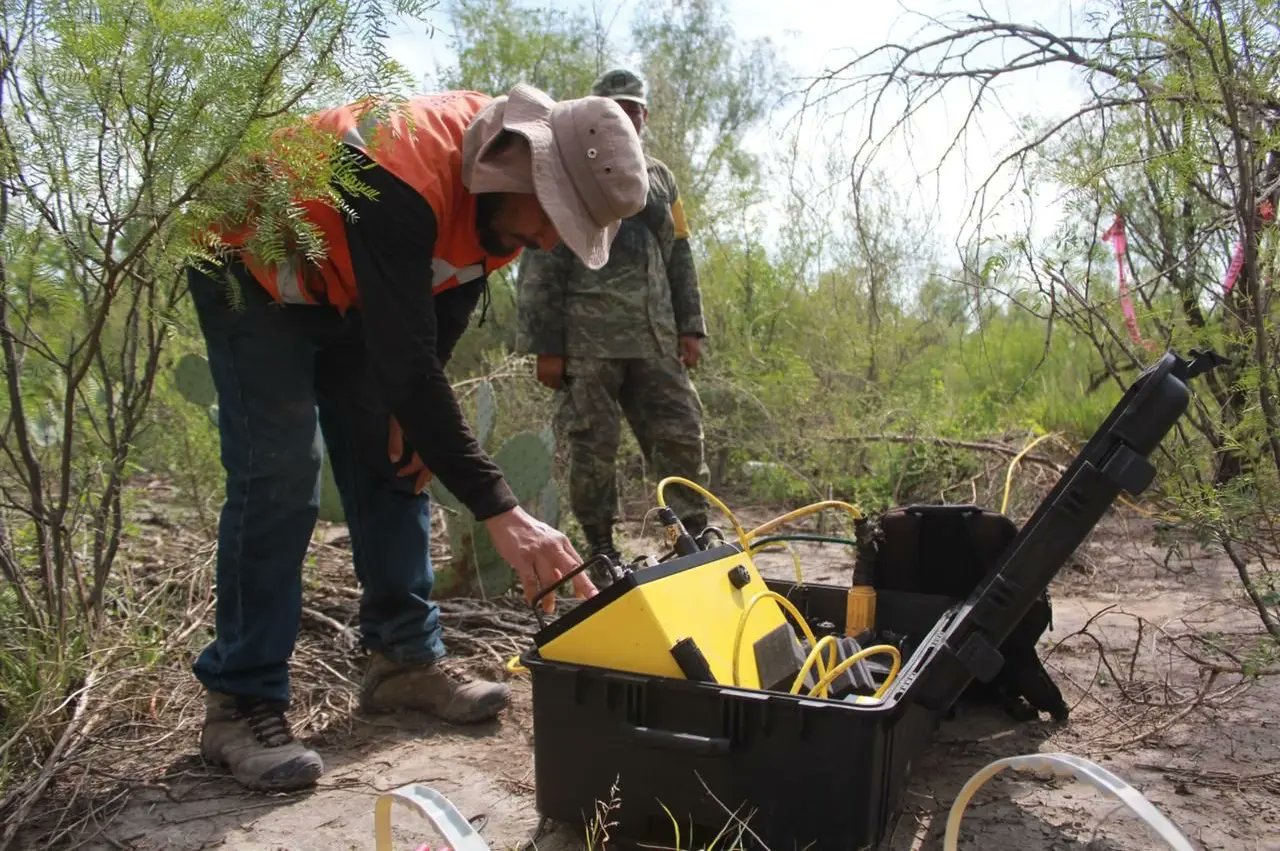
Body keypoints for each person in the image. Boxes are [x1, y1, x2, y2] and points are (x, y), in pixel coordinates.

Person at [187, 83, 648, 792]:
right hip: (255, 258)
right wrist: (503, 510)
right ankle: (240, 701)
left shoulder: (503, 208)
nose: (550, 240)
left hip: (349, 278)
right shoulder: (404, 171)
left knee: (401, 452)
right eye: (554, 216)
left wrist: (416, 408)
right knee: (280, 469)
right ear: (522, 167)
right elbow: (400, 352)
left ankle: (402, 660)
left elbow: (442, 305)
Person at [516, 69, 711, 572]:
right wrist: (546, 345)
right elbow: (542, 258)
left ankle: (690, 540)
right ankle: (601, 550)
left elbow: (680, 256)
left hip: (656, 340)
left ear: (645, 117)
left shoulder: (662, 177)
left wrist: (690, 326)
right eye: (616, 108)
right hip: (588, 342)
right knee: (592, 450)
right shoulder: (567, 171)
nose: (629, 116)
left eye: (636, 109)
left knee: (682, 438)